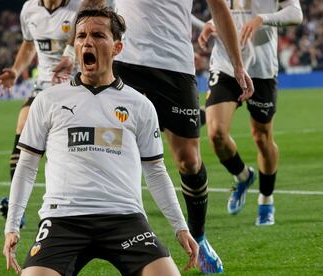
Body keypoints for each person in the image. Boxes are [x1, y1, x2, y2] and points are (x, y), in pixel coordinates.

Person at [54, 0, 254, 274]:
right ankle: (96, 231)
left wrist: (238, 64)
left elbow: (220, 8)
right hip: (124, 61)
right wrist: (70, 49)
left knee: (189, 160)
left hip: (174, 65)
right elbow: (92, 2)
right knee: (108, 146)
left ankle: (199, 237)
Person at [3, 7, 199, 276]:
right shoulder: (48, 100)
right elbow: (26, 166)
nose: (87, 42)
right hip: (63, 221)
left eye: (98, 35)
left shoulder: (139, 105)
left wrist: (180, 226)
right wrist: (12, 226)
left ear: (117, 47)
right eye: (81, 35)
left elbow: (155, 171)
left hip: (125, 219)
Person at [198, 0, 303, 225]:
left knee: (262, 137)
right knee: (216, 133)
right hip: (226, 63)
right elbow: (225, 9)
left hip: (261, 68)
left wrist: (262, 19)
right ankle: (243, 176)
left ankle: (266, 200)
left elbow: (296, 13)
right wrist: (209, 22)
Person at [0, 0, 91, 225]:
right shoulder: (29, 9)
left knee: (73, 145)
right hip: (44, 85)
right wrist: (16, 71)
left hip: (77, 85)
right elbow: (29, 45)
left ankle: (74, 203)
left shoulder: (81, 6)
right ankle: (17, 204)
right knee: (23, 125)